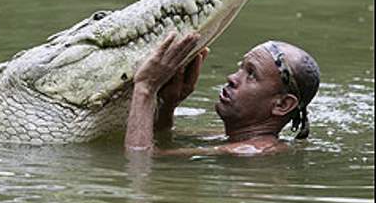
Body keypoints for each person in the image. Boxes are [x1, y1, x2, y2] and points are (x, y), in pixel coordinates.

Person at [124, 32, 320, 156]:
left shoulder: (252, 149)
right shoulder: (231, 138)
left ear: (282, 104)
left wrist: (145, 88)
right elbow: (162, 138)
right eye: (240, 68)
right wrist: (169, 104)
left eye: (251, 74)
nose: (232, 77)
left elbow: (139, 159)